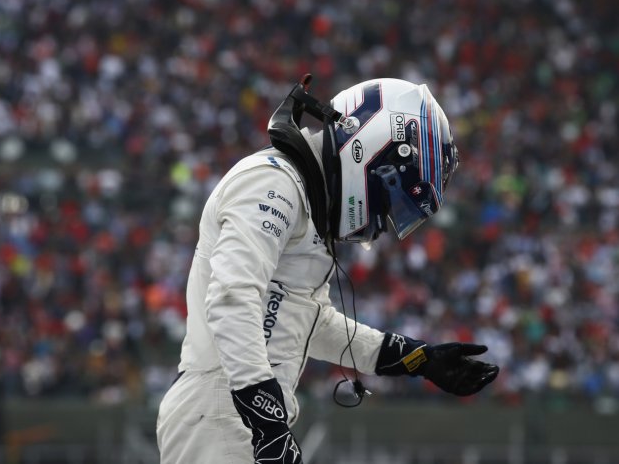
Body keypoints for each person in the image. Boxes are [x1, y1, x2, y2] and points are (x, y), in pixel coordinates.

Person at [156, 75, 500, 463]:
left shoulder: (301, 199)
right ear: (367, 149)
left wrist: (419, 358)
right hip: (225, 409)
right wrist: (266, 421)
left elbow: (310, 323)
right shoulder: (272, 184)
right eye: (389, 196)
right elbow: (232, 297)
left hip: (238, 409)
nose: (383, 219)